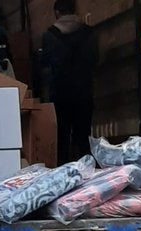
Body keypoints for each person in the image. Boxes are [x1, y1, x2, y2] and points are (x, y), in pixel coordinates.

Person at [41, 0, 98, 165]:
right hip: (84, 92)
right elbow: (95, 59)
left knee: (62, 138)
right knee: (83, 137)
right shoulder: (89, 33)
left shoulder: (49, 35)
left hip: (60, 93)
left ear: (57, 13)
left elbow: (44, 64)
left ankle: (64, 175)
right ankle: (89, 174)